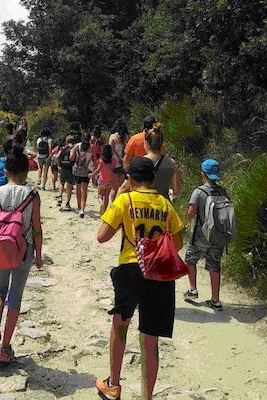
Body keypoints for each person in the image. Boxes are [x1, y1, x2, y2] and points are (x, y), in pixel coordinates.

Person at [95, 157, 185, 400]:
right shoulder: (165, 205)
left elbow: (101, 236)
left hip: (131, 269)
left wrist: (119, 196)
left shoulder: (126, 200)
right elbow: (178, 242)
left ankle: (114, 385)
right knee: (150, 339)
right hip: (159, 273)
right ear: (153, 180)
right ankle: (147, 397)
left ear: (130, 179)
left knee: (120, 325)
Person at [0, 145, 44, 363]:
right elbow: (36, 229)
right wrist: (39, 254)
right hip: (24, 252)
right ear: (27, 172)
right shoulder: (33, 195)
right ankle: (5, 348)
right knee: (15, 297)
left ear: (5, 171)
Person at [183, 159, 229, 311]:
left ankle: (193, 290)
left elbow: (190, 214)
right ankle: (215, 300)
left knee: (190, 259)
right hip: (218, 236)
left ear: (203, 174)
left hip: (201, 236)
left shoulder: (199, 192)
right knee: (214, 265)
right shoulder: (223, 191)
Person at [116, 123, 180, 200]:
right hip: (162, 207)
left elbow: (123, 188)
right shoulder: (172, 163)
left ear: (146, 143)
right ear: (161, 144)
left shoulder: (139, 163)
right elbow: (177, 192)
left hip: (143, 206)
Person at [71, 133, 95, 218]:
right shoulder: (92, 147)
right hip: (86, 170)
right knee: (84, 190)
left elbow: (71, 158)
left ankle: (78, 206)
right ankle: (82, 209)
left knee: (78, 189)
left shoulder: (77, 146)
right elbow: (94, 160)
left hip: (77, 169)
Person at [89, 144, 116, 215]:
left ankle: (101, 204)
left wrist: (91, 175)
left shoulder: (102, 161)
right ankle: (104, 211)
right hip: (110, 180)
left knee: (100, 195)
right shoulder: (114, 161)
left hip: (102, 180)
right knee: (106, 196)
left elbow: (98, 170)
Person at [109, 119, 129, 204]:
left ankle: (114, 206)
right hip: (124, 163)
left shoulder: (113, 137)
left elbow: (111, 150)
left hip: (114, 163)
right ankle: (120, 205)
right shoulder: (126, 137)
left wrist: (118, 159)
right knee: (121, 187)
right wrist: (123, 159)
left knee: (114, 188)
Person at [57, 135, 76, 211]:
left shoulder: (63, 148)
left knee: (61, 182)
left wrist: (60, 164)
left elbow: (57, 156)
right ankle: (67, 202)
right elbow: (71, 158)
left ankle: (60, 196)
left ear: (66, 141)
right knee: (69, 185)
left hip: (63, 167)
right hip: (70, 168)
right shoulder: (73, 148)